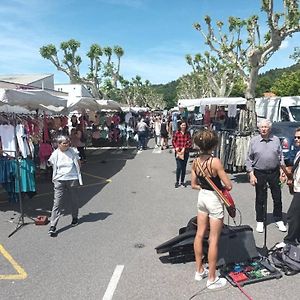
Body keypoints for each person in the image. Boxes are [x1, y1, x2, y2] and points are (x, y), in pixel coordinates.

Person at [191, 129, 232, 289]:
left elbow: (194, 184)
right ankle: (212, 278)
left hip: (202, 197)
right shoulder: (215, 162)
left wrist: (204, 186)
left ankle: (199, 270)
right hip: (214, 199)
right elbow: (228, 185)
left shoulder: (195, 161)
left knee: (199, 234)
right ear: (214, 145)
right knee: (213, 238)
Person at [245, 119, 287, 233]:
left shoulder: (276, 140)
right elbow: (249, 159)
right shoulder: (254, 141)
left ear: (269, 128)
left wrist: (282, 171)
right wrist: (251, 174)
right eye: (261, 127)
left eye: (265, 127)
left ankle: (278, 218)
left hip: (274, 172)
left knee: (277, 197)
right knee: (260, 198)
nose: (263, 129)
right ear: (259, 128)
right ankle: (260, 220)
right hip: (259, 172)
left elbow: (280, 156)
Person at [47, 135, 83, 237]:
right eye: (64, 143)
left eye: (67, 142)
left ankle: (75, 217)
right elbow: (50, 162)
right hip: (59, 180)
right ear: (59, 144)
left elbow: (79, 162)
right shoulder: (55, 153)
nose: (66, 144)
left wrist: (76, 173)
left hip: (72, 179)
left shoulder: (73, 151)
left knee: (74, 199)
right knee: (57, 202)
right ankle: (53, 225)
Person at [277, 127, 300, 247]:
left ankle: (289, 241)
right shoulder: (298, 152)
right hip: (297, 188)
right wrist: (287, 174)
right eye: (295, 137)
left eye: (299, 137)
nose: (296, 139)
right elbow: (295, 168)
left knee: (292, 215)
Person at [172, 120, 192, 188]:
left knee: (184, 167)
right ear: (180, 126)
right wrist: (176, 147)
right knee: (179, 167)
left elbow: (190, 142)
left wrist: (185, 148)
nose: (183, 126)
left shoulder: (188, 133)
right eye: (182, 125)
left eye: (184, 125)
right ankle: (177, 181)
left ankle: (182, 181)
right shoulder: (177, 133)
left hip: (185, 152)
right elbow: (173, 141)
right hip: (178, 152)